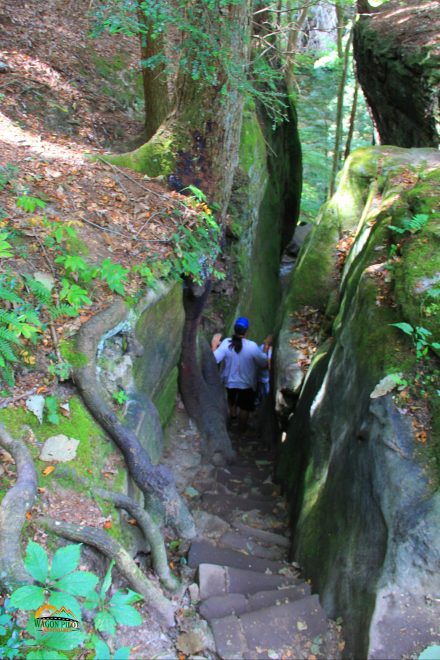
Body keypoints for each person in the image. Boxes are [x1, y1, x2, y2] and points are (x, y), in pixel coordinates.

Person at [211, 317, 268, 430]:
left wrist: (214, 344)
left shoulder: (226, 343)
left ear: (234, 329)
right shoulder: (252, 346)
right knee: (245, 407)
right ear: (246, 331)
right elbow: (263, 363)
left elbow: (214, 359)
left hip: (229, 382)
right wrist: (265, 347)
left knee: (232, 400)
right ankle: (242, 428)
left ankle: (232, 417)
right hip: (247, 384)